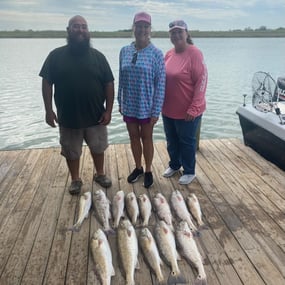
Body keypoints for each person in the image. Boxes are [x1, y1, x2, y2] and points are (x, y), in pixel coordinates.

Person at [39, 15, 115, 195]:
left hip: (96, 115)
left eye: (83, 27)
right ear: (68, 30)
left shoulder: (98, 57)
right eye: (76, 26)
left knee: (98, 147)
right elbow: (46, 82)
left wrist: (109, 110)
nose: (80, 30)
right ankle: (75, 179)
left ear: (88, 31)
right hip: (68, 117)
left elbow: (109, 84)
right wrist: (48, 110)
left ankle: (100, 174)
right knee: (71, 152)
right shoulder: (55, 56)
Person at [118, 12, 166, 188]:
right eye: (139, 26)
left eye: (146, 26)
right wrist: (119, 101)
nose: (142, 29)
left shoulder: (156, 54)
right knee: (133, 137)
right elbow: (121, 78)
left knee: (147, 138)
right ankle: (137, 167)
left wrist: (156, 110)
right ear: (134, 28)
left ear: (150, 29)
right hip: (129, 104)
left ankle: (147, 170)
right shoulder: (124, 50)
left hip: (146, 105)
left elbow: (160, 85)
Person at [162, 20, 207, 185]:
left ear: (187, 33)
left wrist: (194, 107)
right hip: (168, 109)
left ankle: (189, 171)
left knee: (187, 141)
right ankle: (174, 165)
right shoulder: (168, 54)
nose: (176, 35)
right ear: (170, 36)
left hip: (188, 111)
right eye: (173, 32)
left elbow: (201, 81)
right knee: (171, 140)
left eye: (179, 32)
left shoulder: (195, 53)